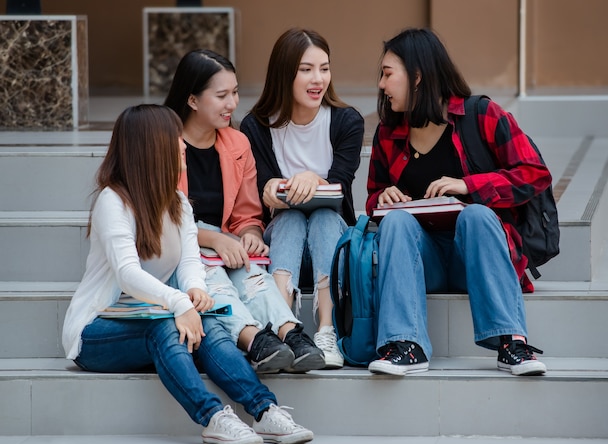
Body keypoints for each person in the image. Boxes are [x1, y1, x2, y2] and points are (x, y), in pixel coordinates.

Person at [62, 104, 314, 444]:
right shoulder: (113, 201)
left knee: (209, 325)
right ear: (151, 148)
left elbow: (189, 260)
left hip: (157, 311)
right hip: (97, 330)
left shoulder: (178, 201)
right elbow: (127, 274)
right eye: (174, 139)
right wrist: (180, 302)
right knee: (165, 325)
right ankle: (213, 418)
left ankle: (265, 410)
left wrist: (195, 291)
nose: (183, 145)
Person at [365, 28, 548, 377]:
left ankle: (512, 343)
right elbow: (373, 195)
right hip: (424, 261)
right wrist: (382, 197)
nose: (381, 85)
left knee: (476, 216)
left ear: (417, 77)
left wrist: (468, 185)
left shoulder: (481, 115)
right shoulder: (389, 133)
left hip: (479, 257)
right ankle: (407, 345)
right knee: (397, 221)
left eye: (388, 74)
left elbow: (535, 173)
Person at [164, 50, 325, 374]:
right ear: (192, 100)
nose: (232, 103)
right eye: (222, 95)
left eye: (235, 92)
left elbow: (246, 214)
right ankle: (255, 341)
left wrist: (250, 234)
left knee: (255, 279)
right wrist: (213, 239)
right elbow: (158, 218)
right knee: (218, 284)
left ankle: (291, 335)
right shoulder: (164, 144)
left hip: (226, 246)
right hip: (180, 248)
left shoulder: (236, 144)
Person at [240, 28, 365, 369]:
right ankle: (283, 325)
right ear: (285, 73)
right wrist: (269, 189)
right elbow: (258, 190)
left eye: (324, 68)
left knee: (324, 217)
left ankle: (327, 330)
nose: (318, 79)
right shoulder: (256, 127)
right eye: (306, 69)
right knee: (291, 218)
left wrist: (314, 179)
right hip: (282, 248)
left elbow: (340, 187)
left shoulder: (345, 121)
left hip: (332, 250)